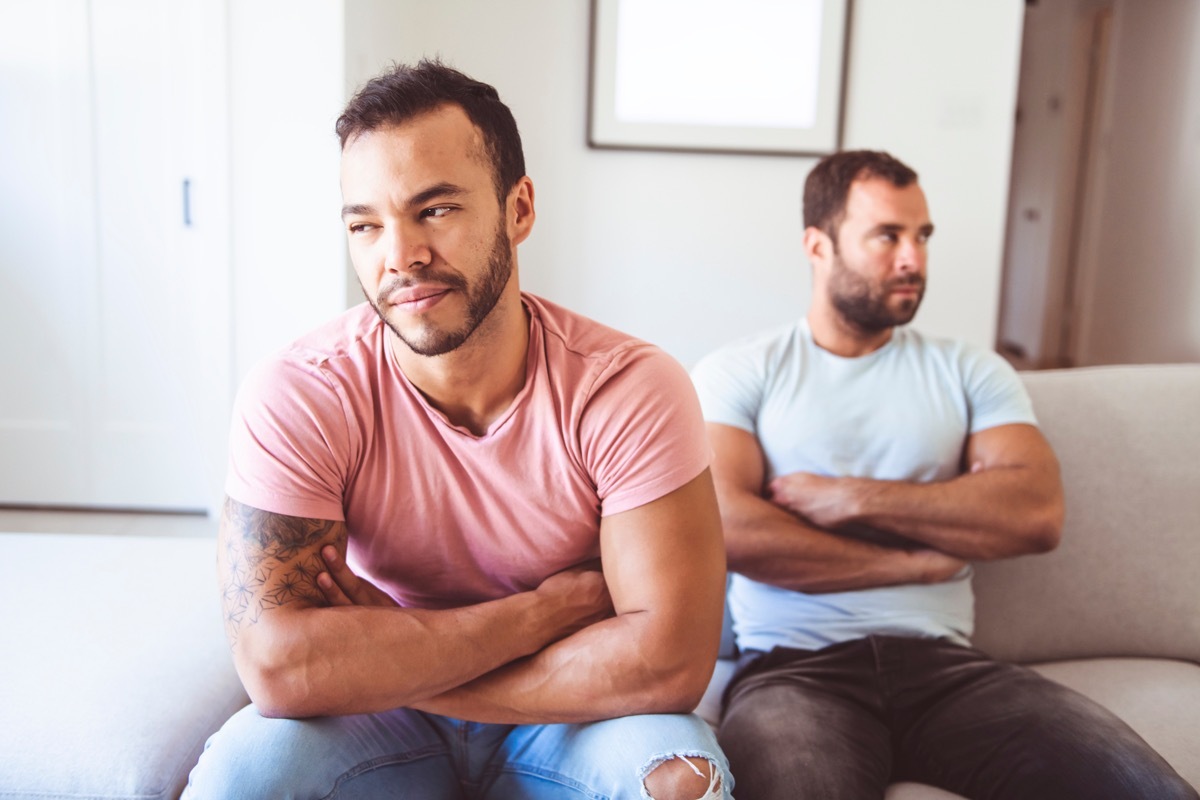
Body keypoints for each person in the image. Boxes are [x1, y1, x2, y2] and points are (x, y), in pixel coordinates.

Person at [184, 60, 732, 800]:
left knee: (678, 784)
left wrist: (406, 668)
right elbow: (280, 666)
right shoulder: (300, 392)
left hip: (570, 714)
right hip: (384, 715)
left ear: (520, 209)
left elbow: (669, 661)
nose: (400, 255)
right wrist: (541, 613)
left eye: (435, 210)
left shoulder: (627, 387)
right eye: (365, 224)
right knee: (237, 780)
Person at [689, 149, 1197, 799]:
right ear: (818, 246)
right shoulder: (741, 372)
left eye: (922, 236)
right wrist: (909, 565)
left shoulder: (970, 370)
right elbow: (727, 529)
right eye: (887, 236)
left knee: (1149, 788)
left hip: (950, 670)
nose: (914, 260)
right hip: (794, 672)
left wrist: (852, 497)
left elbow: (1035, 512)